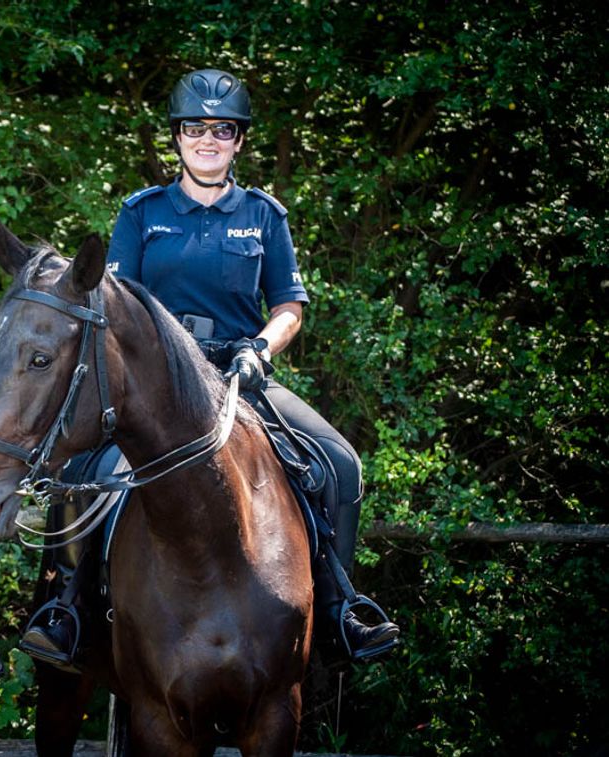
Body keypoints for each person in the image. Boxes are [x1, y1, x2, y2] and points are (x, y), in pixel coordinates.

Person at [21, 68, 399, 666]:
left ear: (240, 141)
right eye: (195, 128)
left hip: (239, 374)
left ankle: (338, 610)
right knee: (80, 465)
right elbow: (113, 302)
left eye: (222, 130)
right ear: (176, 136)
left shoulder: (264, 216)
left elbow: (289, 307)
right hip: (155, 384)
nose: (208, 139)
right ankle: (65, 608)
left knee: (339, 464)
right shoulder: (142, 213)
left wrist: (261, 349)